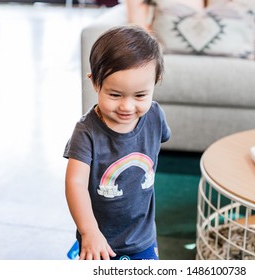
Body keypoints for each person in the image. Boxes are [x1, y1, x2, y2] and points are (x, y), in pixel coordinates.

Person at [63, 25, 171, 260]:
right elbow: (75, 184)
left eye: (140, 95)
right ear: (95, 83)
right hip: (98, 241)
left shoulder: (154, 115)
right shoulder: (86, 132)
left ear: (156, 82)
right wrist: (89, 231)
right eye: (115, 95)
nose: (127, 106)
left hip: (142, 237)